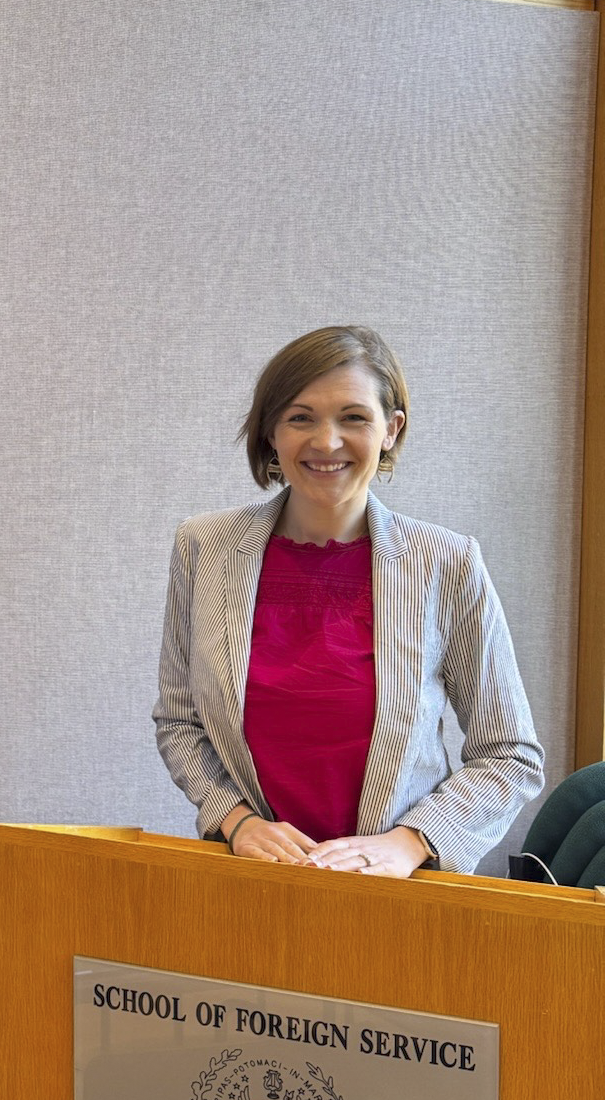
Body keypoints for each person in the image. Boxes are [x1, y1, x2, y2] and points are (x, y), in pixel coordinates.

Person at [153, 326, 542, 876]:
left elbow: (510, 754)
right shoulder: (205, 547)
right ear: (271, 432)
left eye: (354, 417)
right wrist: (237, 821)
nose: (327, 442)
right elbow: (181, 720)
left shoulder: (446, 561)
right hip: (252, 879)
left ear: (391, 429)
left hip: (396, 891)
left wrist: (411, 841)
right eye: (300, 417)